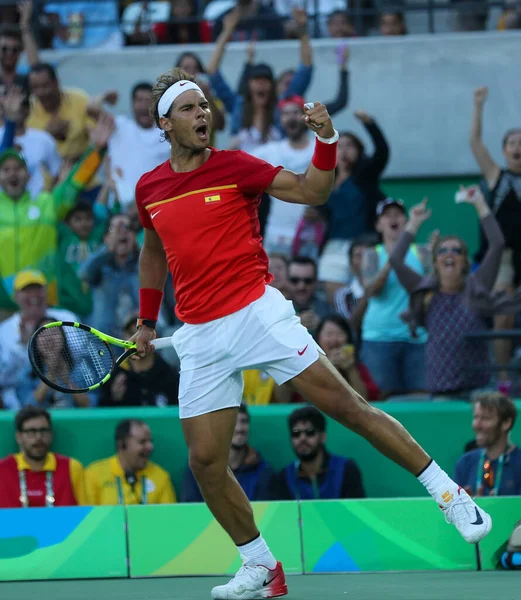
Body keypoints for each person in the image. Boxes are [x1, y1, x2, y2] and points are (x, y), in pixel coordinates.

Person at [132, 67, 492, 600]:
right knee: (206, 462)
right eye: (189, 109)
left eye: (205, 105)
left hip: (258, 314)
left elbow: (313, 190)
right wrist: (145, 320)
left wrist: (326, 139)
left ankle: (450, 493)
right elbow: (154, 252)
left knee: (349, 408)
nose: (202, 114)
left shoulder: (237, 167)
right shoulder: (150, 188)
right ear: (166, 123)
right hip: (199, 334)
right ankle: (260, 565)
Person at [389, 191, 521, 397]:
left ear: (465, 263)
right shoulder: (424, 290)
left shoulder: (477, 286)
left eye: (457, 251)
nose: (449, 254)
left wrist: (480, 204)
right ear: (435, 263)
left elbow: (497, 244)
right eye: (442, 251)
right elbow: (396, 260)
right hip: (441, 393)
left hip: (478, 392)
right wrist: (413, 223)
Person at [0, 114, 112, 305]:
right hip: (3, 304)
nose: (13, 174)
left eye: (18, 168)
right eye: (6, 169)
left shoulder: (46, 204)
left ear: (29, 175)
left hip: (44, 300)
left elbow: (73, 185)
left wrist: (96, 152)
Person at [470, 87, 521, 377]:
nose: (517, 147)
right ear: (504, 151)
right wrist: (478, 106)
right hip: (502, 256)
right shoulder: (496, 175)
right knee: (503, 317)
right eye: (512, 143)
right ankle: (502, 378)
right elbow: (475, 142)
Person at [318, 115, 390, 304]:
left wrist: (370, 124)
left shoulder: (365, 177)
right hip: (334, 247)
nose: (343, 151)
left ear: (359, 151)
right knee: (336, 303)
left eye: (349, 146)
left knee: (368, 298)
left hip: (363, 246)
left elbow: (382, 152)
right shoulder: (326, 181)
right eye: (339, 146)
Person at [360, 198, 427, 398]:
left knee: (422, 398)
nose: (393, 218)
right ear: (378, 225)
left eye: (398, 214)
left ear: (406, 221)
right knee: (381, 400)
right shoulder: (372, 255)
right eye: (387, 215)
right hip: (379, 338)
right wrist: (394, 259)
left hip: (418, 337)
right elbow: (372, 290)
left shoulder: (423, 252)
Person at [270, 406, 366, 500]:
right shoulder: (285, 477)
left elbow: (357, 512)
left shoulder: (346, 469)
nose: (302, 438)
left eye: (310, 432)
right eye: (296, 433)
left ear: (323, 437)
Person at [182, 405, 273, 502]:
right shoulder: (198, 469)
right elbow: (190, 509)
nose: (239, 428)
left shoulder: (263, 471)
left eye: (244, 421)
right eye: (233, 422)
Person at [0, 406, 85, 507]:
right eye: (31, 432)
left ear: (51, 434)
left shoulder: (72, 467)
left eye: (43, 431)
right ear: (19, 437)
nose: (39, 437)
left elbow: (87, 513)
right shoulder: (2, 469)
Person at [84, 418, 176, 505]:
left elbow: (169, 518)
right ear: (121, 445)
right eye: (142, 442)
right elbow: (88, 517)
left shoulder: (161, 476)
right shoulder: (94, 474)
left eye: (150, 441)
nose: (150, 447)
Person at [99, 312, 179, 407]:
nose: (138, 339)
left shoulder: (169, 374)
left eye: (143, 334)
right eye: (131, 333)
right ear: (123, 337)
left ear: (155, 336)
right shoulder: (114, 373)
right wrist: (114, 398)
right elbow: (102, 413)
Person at [0, 82, 62, 197]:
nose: (15, 109)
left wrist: (47, 198)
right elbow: (2, 155)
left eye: (20, 106)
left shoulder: (43, 139)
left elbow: (58, 173)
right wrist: (11, 121)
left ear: (28, 110)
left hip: (34, 209)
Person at [454, 392, 520, 496]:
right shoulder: (465, 463)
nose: (477, 425)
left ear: (506, 423)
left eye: (485, 418)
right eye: (476, 417)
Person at [315, 316, 380, 401]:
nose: (334, 340)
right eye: (329, 334)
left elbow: (365, 402)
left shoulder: (359, 368)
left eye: (340, 334)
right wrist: (330, 368)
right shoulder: (309, 367)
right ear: (318, 339)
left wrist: (351, 369)